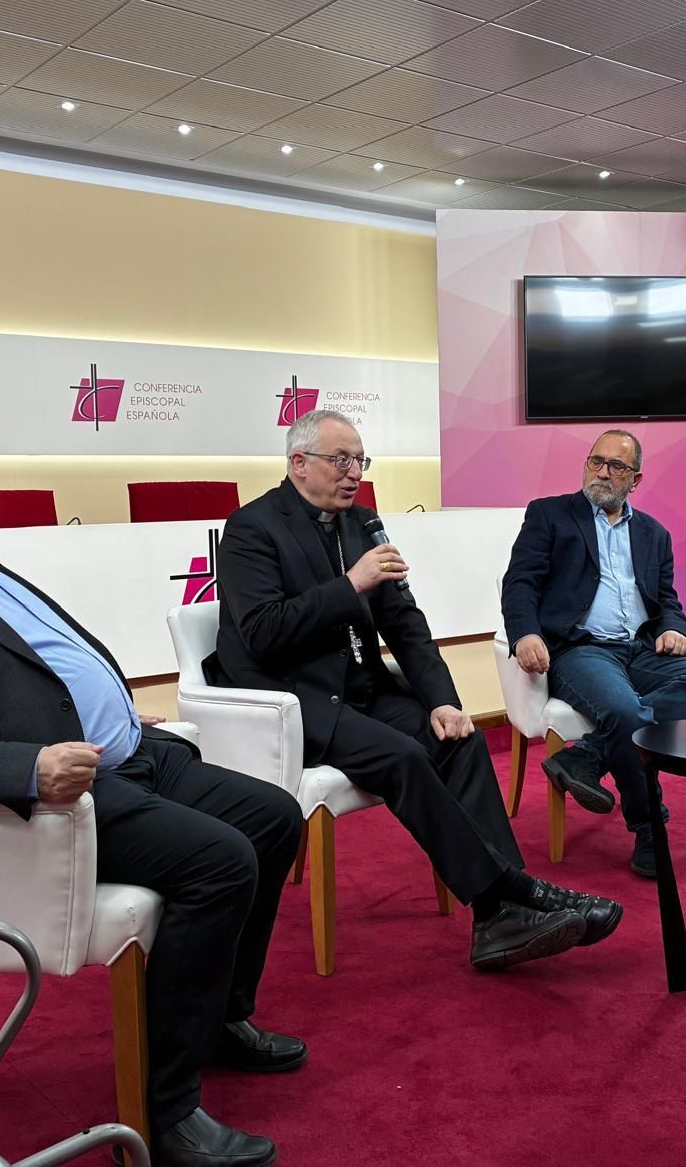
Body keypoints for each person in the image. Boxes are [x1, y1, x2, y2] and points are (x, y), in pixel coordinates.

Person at [0, 403, 303, 1167]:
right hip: (55, 797)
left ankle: (215, 1023)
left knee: (274, 816)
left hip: (135, 756)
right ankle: (165, 1111)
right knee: (221, 861)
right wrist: (26, 770)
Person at [206, 409, 622, 970]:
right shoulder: (252, 528)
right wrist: (350, 585)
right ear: (299, 464)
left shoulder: (363, 522)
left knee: (460, 740)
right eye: (340, 460)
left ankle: (497, 918)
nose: (354, 472)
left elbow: (405, 623)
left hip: (361, 690)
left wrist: (444, 701)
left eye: (360, 460)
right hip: (292, 702)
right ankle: (513, 895)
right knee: (404, 756)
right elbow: (261, 633)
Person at [501, 430, 686, 877]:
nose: (603, 472)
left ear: (636, 479)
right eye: (596, 461)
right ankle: (649, 826)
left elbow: (667, 599)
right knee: (626, 712)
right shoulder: (549, 515)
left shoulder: (654, 534)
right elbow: (520, 582)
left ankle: (586, 755)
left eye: (617, 466)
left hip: (640, 649)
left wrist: (674, 629)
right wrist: (525, 633)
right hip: (581, 650)